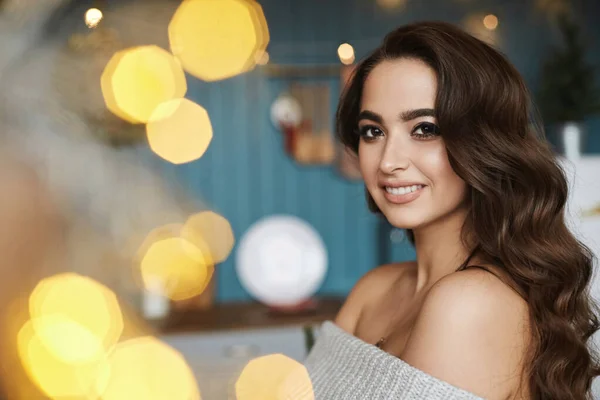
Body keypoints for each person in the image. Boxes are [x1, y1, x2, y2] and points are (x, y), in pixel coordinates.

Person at [304, 21, 599, 400]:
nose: (389, 161)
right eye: (372, 131)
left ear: (484, 144)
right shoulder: (374, 289)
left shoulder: (468, 304)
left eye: (424, 129)